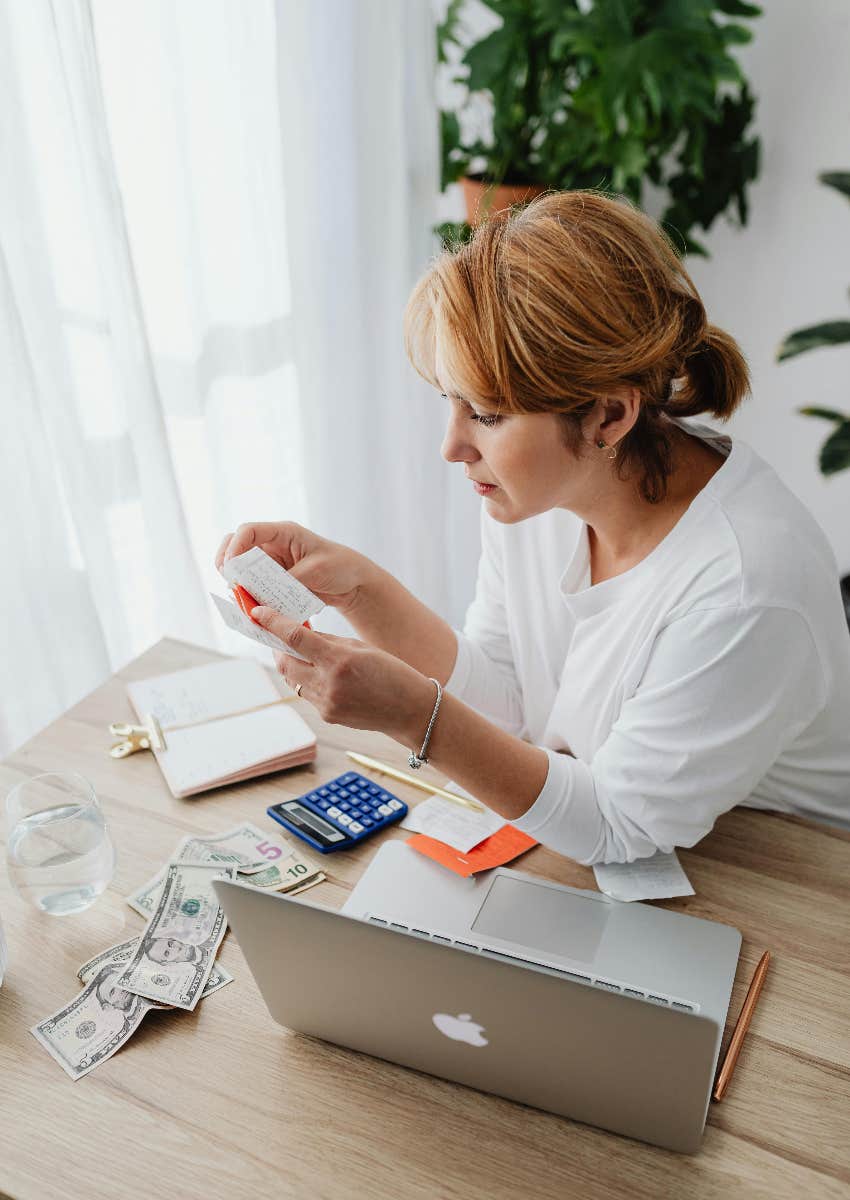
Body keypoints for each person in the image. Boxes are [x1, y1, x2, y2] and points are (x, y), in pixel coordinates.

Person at [216, 190, 850, 864]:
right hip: (663, 843)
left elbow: (618, 827)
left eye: (487, 415)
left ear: (609, 416)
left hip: (788, 870)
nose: (452, 447)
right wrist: (361, 590)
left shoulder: (746, 585)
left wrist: (413, 716)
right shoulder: (535, 495)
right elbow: (510, 707)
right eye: (450, 401)